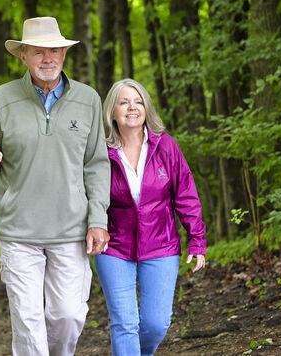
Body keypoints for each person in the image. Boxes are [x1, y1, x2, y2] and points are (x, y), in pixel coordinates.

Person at [0, 16, 111, 356]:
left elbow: (96, 164)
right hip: (19, 231)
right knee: (28, 320)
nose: (48, 58)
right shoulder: (2, 99)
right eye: (38, 52)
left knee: (68, 316)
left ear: (64, 54)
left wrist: (98, 220)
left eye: (55, 51)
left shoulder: (88, 99)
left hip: (71, 230)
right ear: (24, 56)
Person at [96, 78, 207, 356]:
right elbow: (86, 194)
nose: (132, 107)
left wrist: (197, 239)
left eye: (138, 101)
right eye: (123, 102)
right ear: (112, 111)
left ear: (146, 108)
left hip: (161, 244)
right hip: (114, 245)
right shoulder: (100, 151)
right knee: (124, 323)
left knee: (156, 324)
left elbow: (186, 194)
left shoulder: (166, 146)